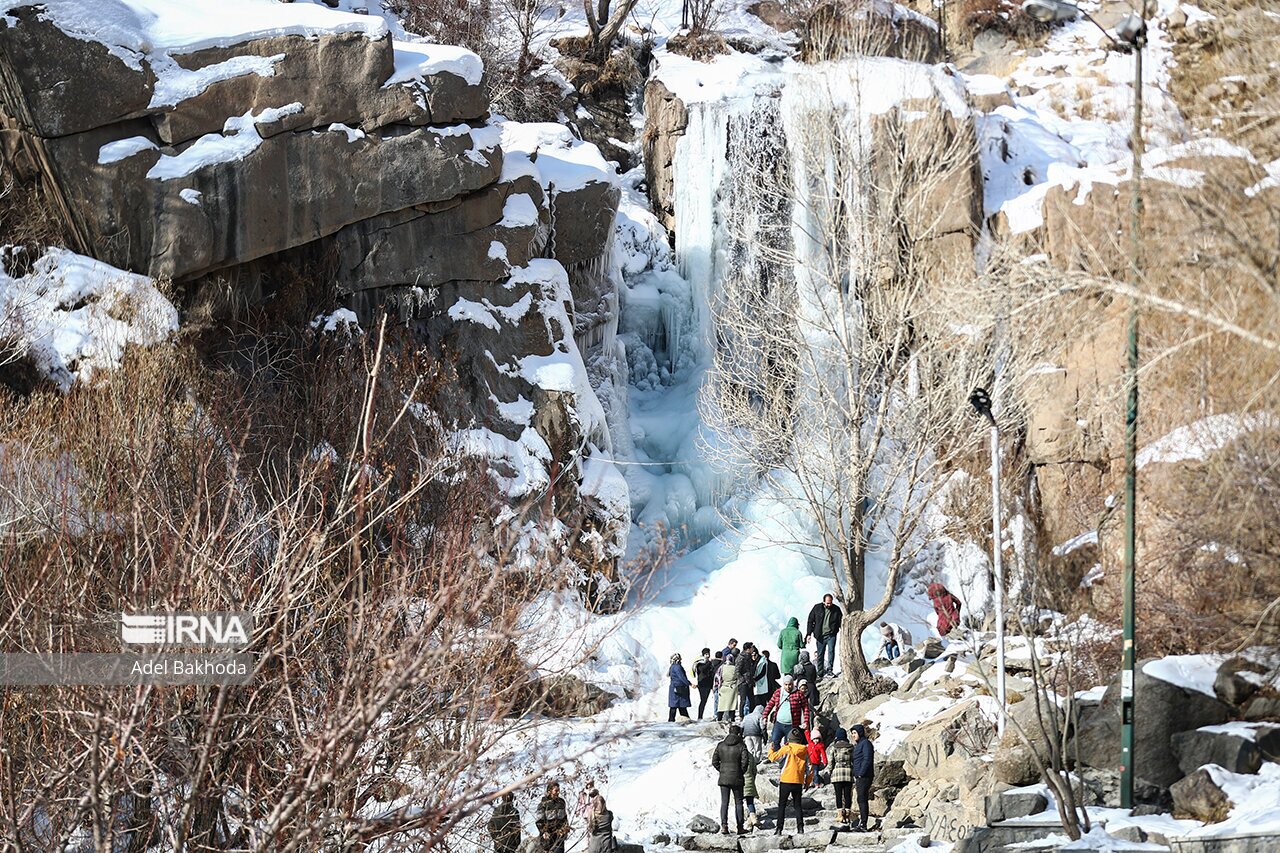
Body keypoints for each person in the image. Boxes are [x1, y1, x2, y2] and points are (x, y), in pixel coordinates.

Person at [767, 728, 810, 835]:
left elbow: (773, 758)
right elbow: (809, 768)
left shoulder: (786, 748)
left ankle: (779, 829)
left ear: (789, 738)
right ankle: (800, 828)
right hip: (798, 781)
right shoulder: (805, 750)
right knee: (797, 805)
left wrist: (771, 749)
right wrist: (807, 782)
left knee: (782, 805)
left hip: (786, 780)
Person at [712, 724, 749, 834]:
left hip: (723, 778)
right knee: (738, 803)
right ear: (739, 733)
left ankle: (724, 826)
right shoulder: (742, 746)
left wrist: (722, 770)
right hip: (737, 778)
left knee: (724, 803)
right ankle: (740, 827)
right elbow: (745, 762)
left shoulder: (720, 745)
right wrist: (740, 771)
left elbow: (714, 761)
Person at [761, 674, 811, 751]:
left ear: (793, 684)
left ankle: (786, 760)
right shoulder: (778, 692)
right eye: (786, 685)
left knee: (789, 744)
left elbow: (806, 708)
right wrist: (765, 716)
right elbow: (770, 704)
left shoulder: (798, 694)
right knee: (774, 741)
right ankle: (777, 758)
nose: (788, 687)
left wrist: (806, 721)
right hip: (779, 723)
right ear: (783, 684)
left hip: (792, 725)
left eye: (790, 684)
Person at [805, 594, 843, 678]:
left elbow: (841, 621)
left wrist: (842, 631)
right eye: (827, 603)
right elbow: (810, 620)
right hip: (820, 635)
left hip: (831, 634)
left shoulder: (836, 610)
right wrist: (809, 633)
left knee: (831, 651)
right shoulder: (817, 608)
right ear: (823, 602)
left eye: (830, 603)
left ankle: (830, 669)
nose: (829, 605)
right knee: (820, 653)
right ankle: (820, 671)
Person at [827, 728, 855, 826]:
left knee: (838, 795)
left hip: (837, 774)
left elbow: (831, 762)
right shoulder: (851, 747)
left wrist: (830, 772)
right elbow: (854, 760)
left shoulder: (834, 747)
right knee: (847, 795)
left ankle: (840, 815)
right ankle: (847, 815)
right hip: (848, 773)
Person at [850, 724, 875, 832]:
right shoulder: (859, 744)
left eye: (855, 733)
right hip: (860, 775)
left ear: (860, 733)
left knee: (862, 798)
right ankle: (862, 823)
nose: (853, 735)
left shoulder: (866, 744)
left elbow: (867, 759)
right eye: (852, 733)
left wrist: (861, 773)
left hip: (864, 776)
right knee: (861, 798)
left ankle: (864, 824)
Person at [536, 782, 570, 853]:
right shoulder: (543, 804)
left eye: (558, 791)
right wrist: (543, 832)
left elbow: (564, 817)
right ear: (549, 791)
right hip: (548, 836)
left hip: (559, 835)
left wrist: (566, 828)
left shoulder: (561, 802)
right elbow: (539, 821)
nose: (558, 793)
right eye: (556, 791)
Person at [695, 649, 722, 720]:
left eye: (708, 654)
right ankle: (700, 716)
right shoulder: (700, 662)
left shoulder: (709, 663)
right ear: (703, 654)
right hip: (702, 684)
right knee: (703, 700)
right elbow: (702, 670)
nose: (708, 655)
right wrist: (709, 663)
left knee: (706, 700)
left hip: (708, 684)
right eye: (706, 654)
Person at [714, 652, 739, 723]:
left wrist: (716, 687)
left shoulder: (721, 667)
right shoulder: (735, 668)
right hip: (732, 688)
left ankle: (719, 718)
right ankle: (732, 719)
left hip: (723, 688)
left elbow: (717, 678)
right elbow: (738, 677)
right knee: (732, 705)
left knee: (721, 705)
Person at [743, 740, 761, 831]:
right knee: (750, 802)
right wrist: (752, 779)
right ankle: (753, 819)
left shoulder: (737, 755)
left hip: (740, 782)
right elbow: (754, 770)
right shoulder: (750, 755)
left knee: (739, 803)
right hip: (750, 781)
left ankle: (744, 821)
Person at [737, 646, 760, 716]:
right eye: (751, 649)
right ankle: (741, 716)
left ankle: (751, 715)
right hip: (743, 683)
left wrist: (754, 660)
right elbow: (737, 671)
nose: (752, 650)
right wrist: (742, 680)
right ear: (748, 649)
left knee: (751, 700)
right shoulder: (741, 657)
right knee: (743, 700)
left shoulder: (749, 657)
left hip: (749, 682)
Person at [668, 654, 692, 722]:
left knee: (674, 706)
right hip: (679, 688)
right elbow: (682, 677)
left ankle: (671, 720)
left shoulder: (672, 667)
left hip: (674, 688)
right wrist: (689, 683)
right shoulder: (677, 667)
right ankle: (686, 720)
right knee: (681, 705)